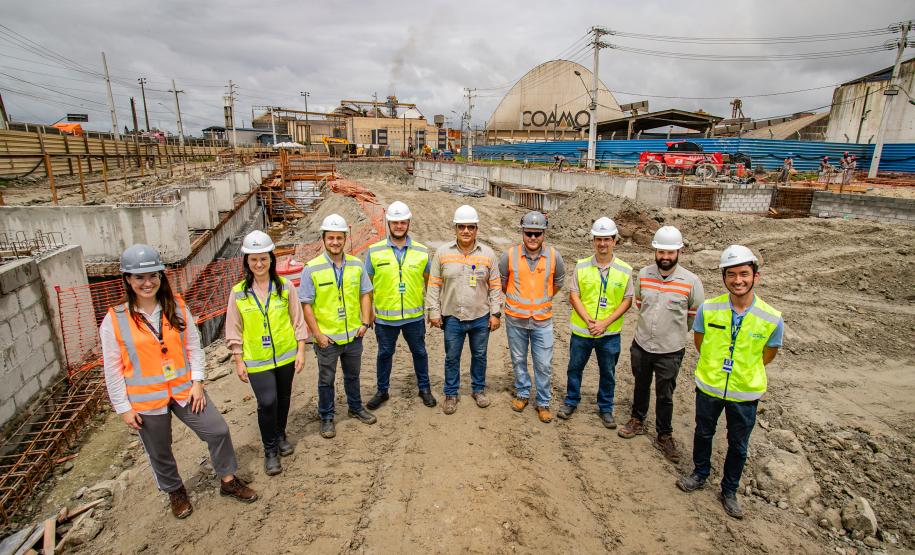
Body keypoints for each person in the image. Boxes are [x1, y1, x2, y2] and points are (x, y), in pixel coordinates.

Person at [100, 244, 257, 520]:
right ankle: (175, 491)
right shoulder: (114, 320)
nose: (147, 283)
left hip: (185, 389)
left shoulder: (177, 306)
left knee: (217, 430)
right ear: (128, 279)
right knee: (159, 450)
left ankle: (228, 480)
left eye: (153, 276)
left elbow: (193, 348)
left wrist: (197, 381)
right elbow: (112, 369)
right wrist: (123, 408)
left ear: (161, 276)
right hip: (147, 399)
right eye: (140, 277)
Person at [676, 245, 784, 520]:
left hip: (745, 392)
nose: (738, 280)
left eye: (744, 274)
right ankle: (700, 473)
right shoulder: (709, 309)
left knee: (738, 445)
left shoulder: (771, 317)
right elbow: (701, 343)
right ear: (724, 277)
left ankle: (729, 490)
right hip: (710, 385)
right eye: (732, 274)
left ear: (755, 277)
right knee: (703, 433)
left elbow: (767, 355)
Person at [618, 226, 704, 463]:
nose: (665, 257)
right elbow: (638, 303)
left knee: (665, 394)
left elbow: (693, 315)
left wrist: (672, 332)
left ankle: (664, 434)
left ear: (679, 252)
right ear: (654, 251)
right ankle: (637, 420)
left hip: (670, 349)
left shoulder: (691, 282)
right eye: (661, 252)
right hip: (642, 343)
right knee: (641, 385)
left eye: (670, 253)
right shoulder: (644, 275)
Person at [225, 230, 308, 476]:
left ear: (271, 259)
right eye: (254, 259)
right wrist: (239, 360)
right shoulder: (238, 292)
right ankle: (270, 449)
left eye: (263, 258)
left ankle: (281, 434)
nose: (259, 264)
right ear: (247, 262)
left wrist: (301, 350)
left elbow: (298, 320)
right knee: (267, 402)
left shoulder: (284, 288)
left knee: (283, 399)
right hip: (256, 359)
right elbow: (233, 328)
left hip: (285, 355)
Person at [299, 214, 376, 439]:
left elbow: (365, 294)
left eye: (339, 238)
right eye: (330, 238)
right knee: (326, 380)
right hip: (327, 339)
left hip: (354, 335)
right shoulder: (311, 268)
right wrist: (318, 335)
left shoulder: (356, 264)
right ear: (323, 239)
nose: (335, 242)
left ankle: (355, 407)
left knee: (353, 375)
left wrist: (364, 322)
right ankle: (327, 417)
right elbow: (307, 305)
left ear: (345, 238)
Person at [427, 205, 503, 415]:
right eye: (462, 227)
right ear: (456, 228)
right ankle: (451, 393)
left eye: (471, 227)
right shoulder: (443, 253)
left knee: (480, 355)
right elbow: (434, 285)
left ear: (476, 229)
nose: (466, 231)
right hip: (452, 317)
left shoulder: (488, 254)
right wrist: (434, 311)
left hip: (480, 317)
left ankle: (478, 390)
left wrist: (495, 313)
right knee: (452, 357)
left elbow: (496, 286)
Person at [557, 217, 633, 428]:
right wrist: (588, 320)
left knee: (608, 372)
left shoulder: (625, 270)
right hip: (582, 331)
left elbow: (627, 300)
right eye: (598, 239)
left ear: (614, 241)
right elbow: (574, 294)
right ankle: (571, 400)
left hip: (609, 334)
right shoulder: (581, 266)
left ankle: (606, 408)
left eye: (607, 239)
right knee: (574, 368)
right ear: (593, 240)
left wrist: (604, 323)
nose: (602, 244)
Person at [363, 201, 436, 410]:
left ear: (408, 223)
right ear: (388, 223)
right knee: (384, 354)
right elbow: (366, 287)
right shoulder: (374, 251)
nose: (399, 226)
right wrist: (368, 313)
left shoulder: (421, 252)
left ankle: (424, 388)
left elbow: (430, 283)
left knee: (420, 353)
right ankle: (382, 391)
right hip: (386, 319)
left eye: (403, 222)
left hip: (414, 317)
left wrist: (432, 310)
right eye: (395, 222)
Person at [500, 211, 565, 423]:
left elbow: (558, 282)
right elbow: (503, 282)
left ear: (544, 233)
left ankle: (543, 402)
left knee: (543, 364)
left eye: (538, 234)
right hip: (515, 320)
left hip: (542, 321)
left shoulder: (554, 257)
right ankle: (523, 393)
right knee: (518, 359)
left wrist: (542, 298)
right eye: (529, 233)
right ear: (523, 232)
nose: (533, 238)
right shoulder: (509, 256)